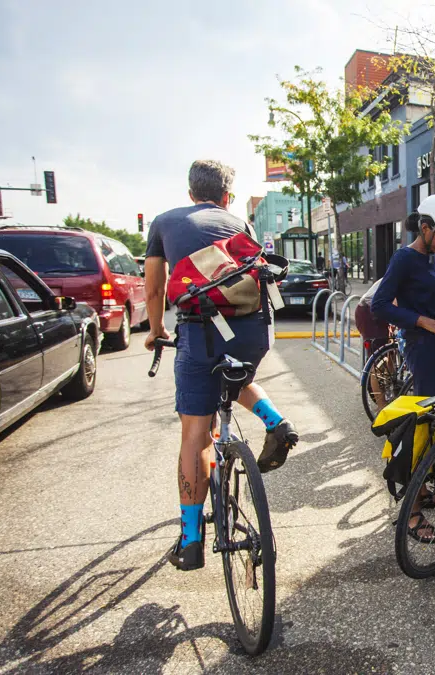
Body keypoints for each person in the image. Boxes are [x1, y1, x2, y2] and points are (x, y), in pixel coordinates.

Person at [144, 159, 299, 571]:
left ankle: (192, 541)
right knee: (238, 376)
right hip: (253, 332)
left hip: (202, 330)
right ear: (227, 197)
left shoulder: (164, 222)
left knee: (196, 434)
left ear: (191, 192)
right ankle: (276, 421)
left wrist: (156, 329)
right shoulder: (240, 225)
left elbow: (156, 286)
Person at [371, 194, 435, 543]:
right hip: (421, 346)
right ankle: (410, 512)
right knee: (426, 424)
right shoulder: (405, 258)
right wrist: (424, 322)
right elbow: (379, 305)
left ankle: (424, 487)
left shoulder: (434, 257)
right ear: (424, 228)